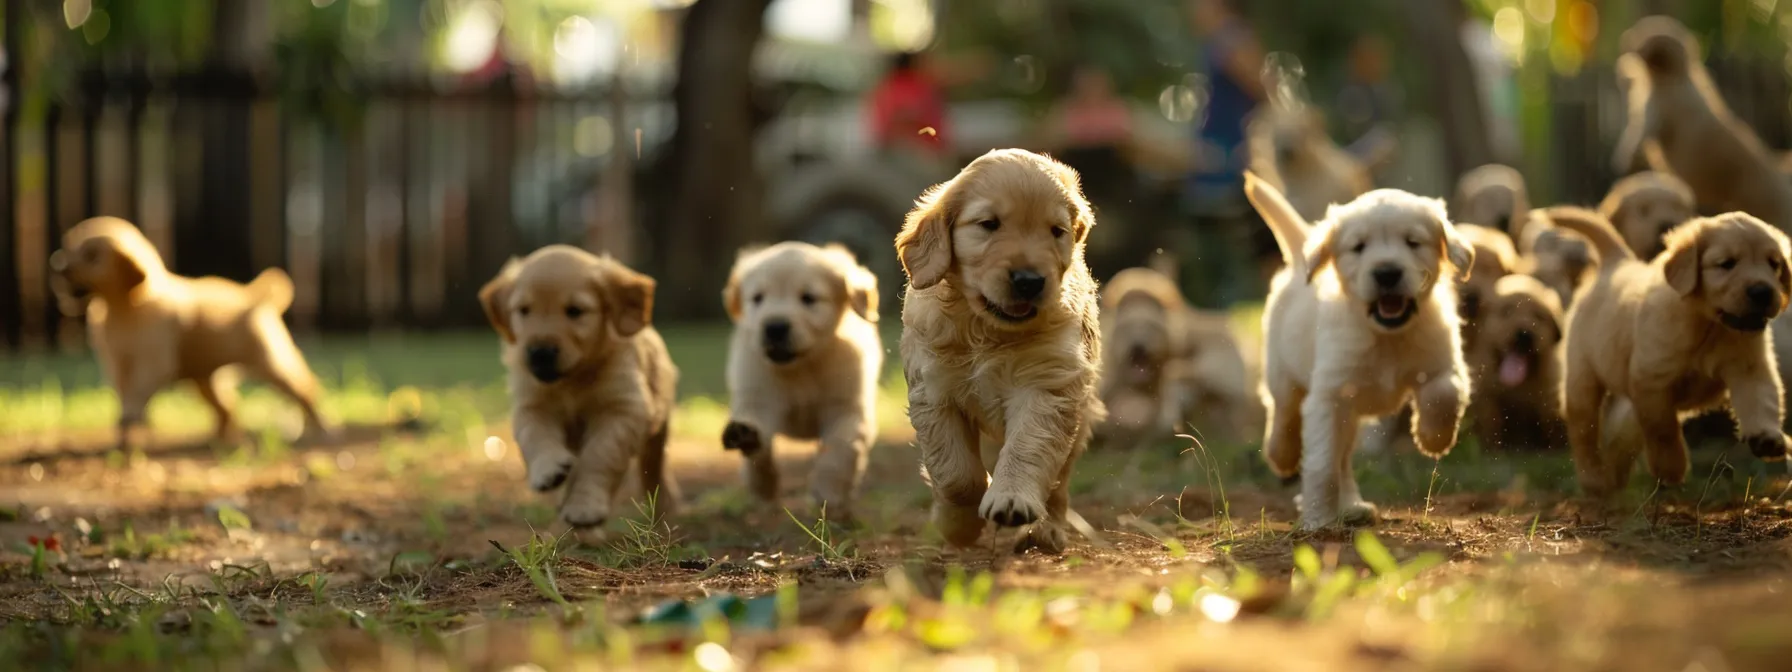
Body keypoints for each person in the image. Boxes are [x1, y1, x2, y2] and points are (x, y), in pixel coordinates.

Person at [1181, 0, 1267, 308]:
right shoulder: (1216, 40)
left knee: (1238, 236)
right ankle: (1217, 302)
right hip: (1216, 152)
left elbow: (1259, 86)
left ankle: (1237, 300)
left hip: (1232, 154)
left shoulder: (1231, 37)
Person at [866, 51, 948, 158]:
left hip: (896, 148)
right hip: (914, 149)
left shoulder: (885, 86)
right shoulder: (913, 85)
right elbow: (906, 116)